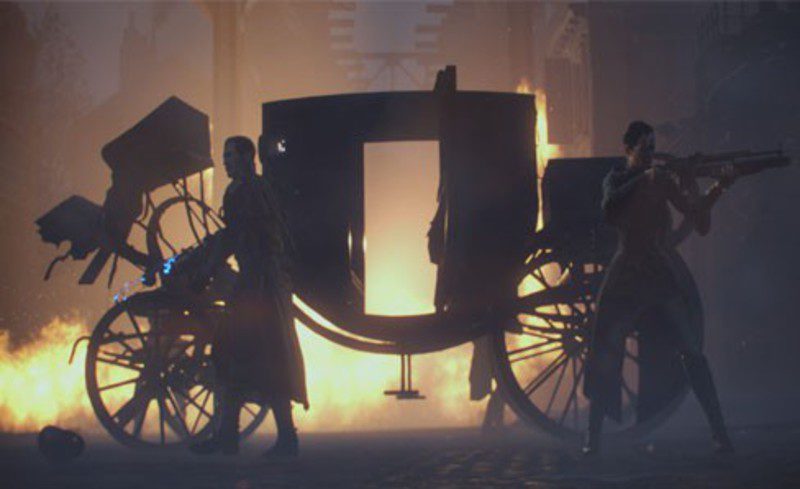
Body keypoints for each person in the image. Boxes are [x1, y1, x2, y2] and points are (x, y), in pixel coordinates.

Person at [582, 121, 735, 455]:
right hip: (625, 275)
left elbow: (699, 221)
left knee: (692, 351)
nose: (650, 154)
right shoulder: (616, 179)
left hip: (657, 274)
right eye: (644, 148)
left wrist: (716, 186)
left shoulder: (661, 180)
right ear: (628, 149)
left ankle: (719, 433)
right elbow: (609, 209)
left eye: (652, 148)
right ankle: (592, 439)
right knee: (605, 353)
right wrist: (644, 180)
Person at [190, 136, 307, 458]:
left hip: (259, 287)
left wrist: (205, 269)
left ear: (246, 157)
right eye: (225, 155)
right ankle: (239, 435)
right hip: (261, 284)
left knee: (246, 355)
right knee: (247, 357)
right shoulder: (253, 189)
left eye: (230, 155)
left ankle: (262, 438)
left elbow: (235, 237)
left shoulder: (246, 192)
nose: (225, 161)